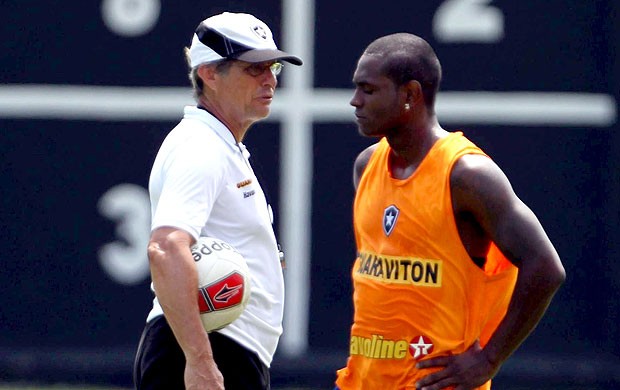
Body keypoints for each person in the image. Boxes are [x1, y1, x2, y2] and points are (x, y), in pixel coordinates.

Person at [335, 33, 566, 390]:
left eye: (368, 90)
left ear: (410, 95)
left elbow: (546, 267)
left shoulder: (467, 175)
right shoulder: (367, 166)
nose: (355, 101)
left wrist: (489, 359)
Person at [133, 12, 302, 390]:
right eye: (252, 68)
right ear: (209, 73)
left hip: (225, 351)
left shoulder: (221, 145)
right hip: (209, 352)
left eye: (272, 66)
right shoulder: (200, 146)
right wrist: (200, 362)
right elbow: (164, 248)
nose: (270, 79)